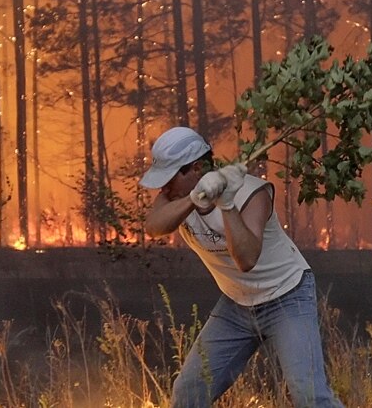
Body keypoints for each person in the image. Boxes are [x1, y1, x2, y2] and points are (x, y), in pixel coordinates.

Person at [140, 126, 343, 408]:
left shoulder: (252, 193)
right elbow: (153, 227)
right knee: (189, 391)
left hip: (286, 296)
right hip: (237, 304)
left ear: (196, 168)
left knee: (309, 396)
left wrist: (226, 204)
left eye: (170, 176)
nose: (163, 186)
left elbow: (246, 259)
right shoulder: (177, 196)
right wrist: (192, 198)